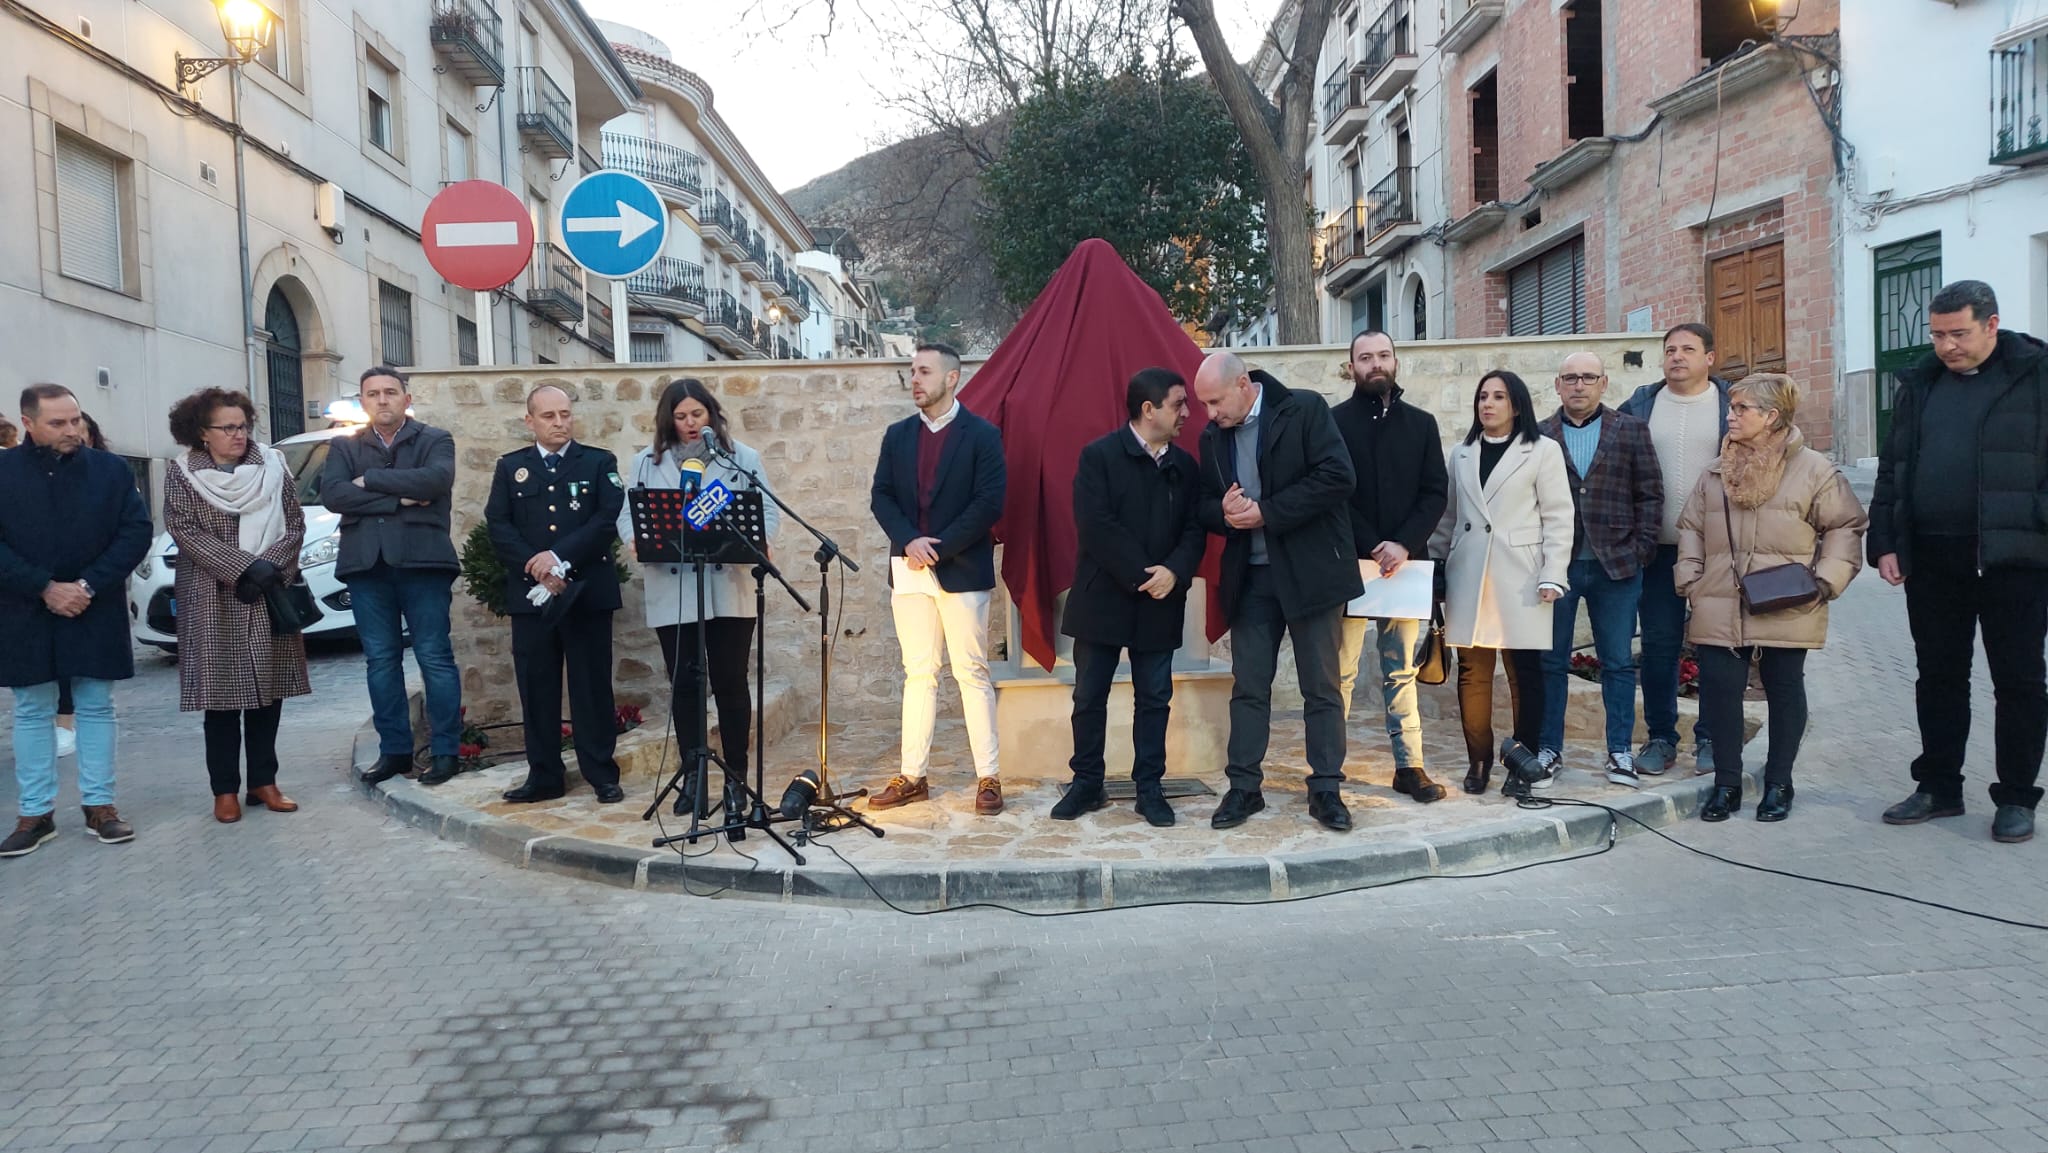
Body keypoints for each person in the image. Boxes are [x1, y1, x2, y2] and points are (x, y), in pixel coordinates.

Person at [1870, 280, 2048, 844]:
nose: (1947, 346)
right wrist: (1887, 540)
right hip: (1934, 556)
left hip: (2013, 557)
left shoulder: (2036, 374)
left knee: (2018, 681)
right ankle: (1939, 787)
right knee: (1940, 677)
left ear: (1992, 325)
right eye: (1938, 334)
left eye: (1959, 333)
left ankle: (2017, 797)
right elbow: (1894, 466)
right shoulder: (1920, 382)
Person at [1675, 374, 1865, 822]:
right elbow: (1691, 528)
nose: (1731, 415)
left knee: (1783, 690)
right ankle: (1726, 784)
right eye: (1731, 407)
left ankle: (1779, 782)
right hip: (1720, 599)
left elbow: (1846, 525)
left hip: (1787, 600)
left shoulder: (1814, 469)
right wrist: (1692, 579)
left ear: (1771, 416)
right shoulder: (1716, 471)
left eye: (1742, 408)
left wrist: (1824, 581)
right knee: (1720, 693)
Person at [1194, 351, 1362, 831]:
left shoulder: (1305, 409)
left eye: (1215, 401)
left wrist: (1268, 511)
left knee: (1322, 687)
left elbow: (1337, 477)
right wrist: (1222, 511)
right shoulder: (1212, 437)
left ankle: (1326, 789)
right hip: (1251, 578)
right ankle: (1244, 788)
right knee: (1248, 687)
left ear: (1244, 383)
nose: (1209, 414)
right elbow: (1204, 504)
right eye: (1203, 404)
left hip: (1311, 574)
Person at [616, 379, 779, 816]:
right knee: (685, 685)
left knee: (730, 684)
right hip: (675, 588)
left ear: (712, 414)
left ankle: (736, 779)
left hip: (727, 585)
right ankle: (693, 778)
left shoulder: (741, 458)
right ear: (668, 419)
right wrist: (635, 538)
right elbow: (628, 513)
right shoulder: (646, 463)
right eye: (681, 416)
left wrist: (762, 539)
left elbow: (766, 511)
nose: (690, 424)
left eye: (697, 415)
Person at [0, 384, 151, 856]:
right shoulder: (3, 472)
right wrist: (44, 586)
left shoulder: (110, 470)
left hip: (95, 603)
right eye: (58, 423)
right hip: (26, 607)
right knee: (30, 709)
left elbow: (136, 531)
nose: (71, 430)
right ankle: (35, 813)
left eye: (75, 420)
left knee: (95, 705)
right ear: (28, 424)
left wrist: (87, 585)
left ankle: (100, 806)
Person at [1052, 367, 1207, 827]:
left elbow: (1195, 529)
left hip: (1161, 601)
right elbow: (1096, 525)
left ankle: (1149, 788)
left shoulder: (1186, 466)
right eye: (1178, 404)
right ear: (1148, 409)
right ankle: (1086, 784)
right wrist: (1148, 575)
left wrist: (1175, 571)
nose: (1186, 413)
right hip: (1104, 597)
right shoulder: (1099, 457)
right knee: (1089, 696)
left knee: (1155, 698)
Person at [867, 343, 1008, 815]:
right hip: (908, 569)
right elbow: (881, 496)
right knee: (919, 674)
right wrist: (910, 541)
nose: (915, 379)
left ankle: (988, 777)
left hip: (962, 568)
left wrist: (939, 547)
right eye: (912, 371)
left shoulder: (983, 436)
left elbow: (988, 503)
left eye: (924, 371)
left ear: (952, 378)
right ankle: (912, 777)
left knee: (971, 672)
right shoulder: (897, 435)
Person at [162, 388, 311, 823]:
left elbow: (295, 522)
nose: (238, 434)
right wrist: (245, 568)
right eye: (227, 428)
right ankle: (224, 790)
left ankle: (264, 781)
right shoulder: (182, 473)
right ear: (202, 433)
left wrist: (270, 569)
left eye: (242, 425)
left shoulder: (273, 466)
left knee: (269, 693)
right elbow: (186, 531)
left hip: (269, 592)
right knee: (222, 698)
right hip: (213, 594)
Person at [1430, 371, 1574, 792]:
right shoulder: (1460, 453)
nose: (1488, 404)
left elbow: (1559, 517)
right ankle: (1478, 762)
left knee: (1524, 675)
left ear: (1517, 404)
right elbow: (1448, 517)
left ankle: (1521, 762)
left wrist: (1553, 575)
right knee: (1473, 674)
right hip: (1468, 574)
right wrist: (1437, 567)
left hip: (1522, 576)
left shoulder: (1542, 450)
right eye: (1482, 397)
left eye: (1498, 396)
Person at [485, 385, 628, 804]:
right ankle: (544, 775)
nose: (560, 422)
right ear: (529, 421)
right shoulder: (512, 468)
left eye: (565, 414)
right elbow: (499, 525)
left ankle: (602, 773)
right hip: (533, 596)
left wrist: (558, 558)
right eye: (549, 416)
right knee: (537, 687)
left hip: (585, 592)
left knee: (591, 686)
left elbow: (606, 519)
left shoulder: (599, 462)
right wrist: (538, 566)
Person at [324, 367, 466, 788]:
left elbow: (436, 480)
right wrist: (401, 498)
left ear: (406, 398)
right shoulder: (343, 446)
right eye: (373, 394)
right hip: (367, 567)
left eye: (390, 392)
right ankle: (395, 752)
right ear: (363, 402)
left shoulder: (434, 439)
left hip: (424, 563)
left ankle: (445, 753)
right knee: (381, 662)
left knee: (434, 658)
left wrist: (370, 482)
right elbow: (334, 494)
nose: (382, 400)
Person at [1330, 331, 1451, 801]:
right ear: (1351, 366)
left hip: (1405, 568)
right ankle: (1329, 769)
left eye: (1382, 355)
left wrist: (1402, 544)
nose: (1375, 364)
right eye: (1365, 357)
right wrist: (1371, 544)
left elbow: (1434, 492)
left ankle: (1409, 767)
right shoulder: (1333, 422)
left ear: (1396, 361)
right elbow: (1332, 491)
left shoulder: (1422, 424)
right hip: (1348, 568)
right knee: (1338, 674)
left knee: (1400, 671)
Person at [1536, 352, 1663, 786]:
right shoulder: (1538, 436)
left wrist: (1642, 548)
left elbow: (1650, 494)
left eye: (1588, 377)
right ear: (1557, 385)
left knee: (1618, 663)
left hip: (1617, 568)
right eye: (1570, 377)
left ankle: (1620, 752)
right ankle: (1549, 749)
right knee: (1550, 663)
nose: (1579, 385)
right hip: (1557, 569)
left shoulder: (1630, 431)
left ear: (1603, 383)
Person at [1619, 323, 1734, 775]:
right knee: (1660, 648)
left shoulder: (1731, 405)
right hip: (1657, 551)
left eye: (1688, 349)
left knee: (1714, 648)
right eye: (1670, 349)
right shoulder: (1641, 406)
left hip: (1718, 551)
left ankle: (1710, 738)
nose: (1677, 357)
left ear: (1710, 356)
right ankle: (1661, 739)